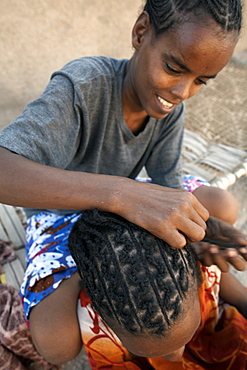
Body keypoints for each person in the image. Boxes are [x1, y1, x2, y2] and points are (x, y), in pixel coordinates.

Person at [0, 0, 246, 363]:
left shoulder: (167, 109)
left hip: (133, 197)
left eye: (200, 81)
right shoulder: (82, 87)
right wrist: (121, 193)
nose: (181, 92)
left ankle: (234, 292)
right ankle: (100, 274)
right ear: (141, 31)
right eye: (174, 68)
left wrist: (197, 233)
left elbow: (168, 185)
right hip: (61, 212)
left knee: (222, 208)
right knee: (56, 343)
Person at [65, 209, 246, 369]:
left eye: (189, 334)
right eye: (145, 352)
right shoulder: (95, 325)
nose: (177, 357)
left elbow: (241, 299)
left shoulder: (196, 271)